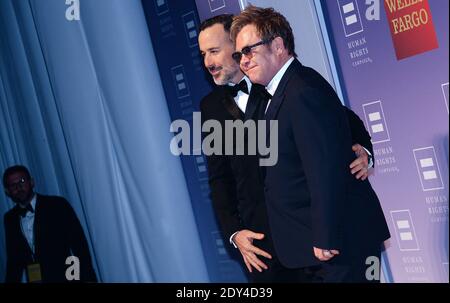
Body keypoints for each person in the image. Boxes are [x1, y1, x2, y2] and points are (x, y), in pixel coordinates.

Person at [198, 14, 376, 282]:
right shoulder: (210, 107)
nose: (208, 62)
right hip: (262, 249)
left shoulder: (278, 84)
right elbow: (219, 179)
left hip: (311, 232)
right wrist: (235, 233)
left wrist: (363, 150)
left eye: (214, 51)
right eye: (203, 54)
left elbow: (342, 120)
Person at [2, 165, 97, 282]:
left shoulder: (57, 205)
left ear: (31, 182)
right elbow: (14, 260)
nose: (18, 187)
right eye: (13, 185)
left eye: (22, 181)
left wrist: (83, 278)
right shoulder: (9, 218)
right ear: (7, 191)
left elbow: (79, 245)